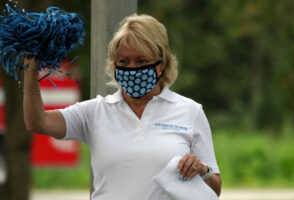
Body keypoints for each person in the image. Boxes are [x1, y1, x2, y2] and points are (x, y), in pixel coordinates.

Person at [23, 14, 222, 200]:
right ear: (114, 65)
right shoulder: (95, 112)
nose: (132, 69)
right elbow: (37, 122)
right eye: (124, 61)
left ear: (161, 64)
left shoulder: (190, 111)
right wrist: (31, 67)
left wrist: (202, 170)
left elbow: (215, 190)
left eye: (142, 61)